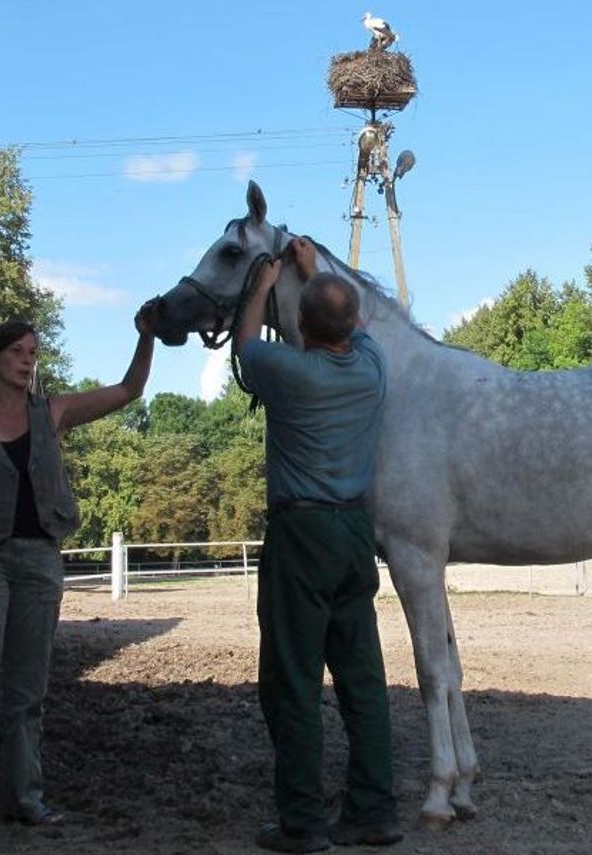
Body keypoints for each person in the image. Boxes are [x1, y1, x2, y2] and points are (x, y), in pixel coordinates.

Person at [0, 303, 158, 842]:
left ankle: (24, 799)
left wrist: (148, 336)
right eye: (16, 352)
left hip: (40, 563)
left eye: (33, 353)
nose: (26, 361)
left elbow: (128, 390)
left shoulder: (53, 412)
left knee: (27, 692)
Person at [236, 238, 400, 853]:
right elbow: (353, 327)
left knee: (293, 678)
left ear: (300, 324)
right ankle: (374, 813)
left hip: (301, 533)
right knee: (362, 677)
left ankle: (303, 822)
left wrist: (262, 285)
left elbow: (248, 341)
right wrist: (313, 276)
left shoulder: (287, 371)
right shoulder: (371, 369)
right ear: (352, 325)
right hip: (355, 532)